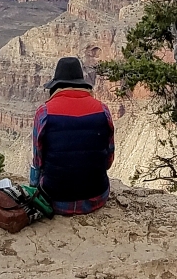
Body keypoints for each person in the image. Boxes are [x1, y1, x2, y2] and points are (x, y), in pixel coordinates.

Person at [30, 55, 114, 215]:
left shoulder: (44, 112)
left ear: (56, 86)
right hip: (97, 197)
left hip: (55, 200)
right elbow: (108, 161)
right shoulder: (103, 110)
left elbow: (38, 161)